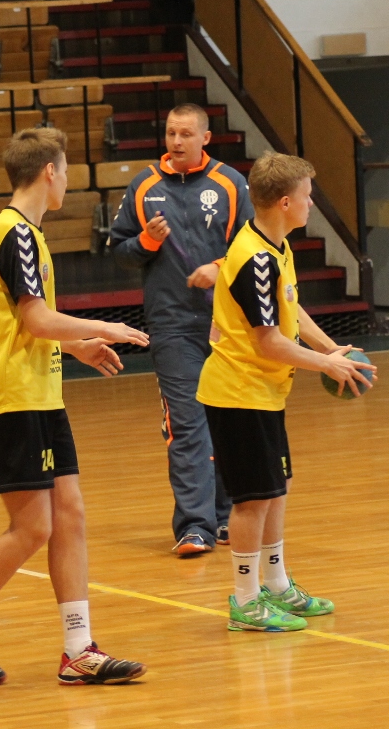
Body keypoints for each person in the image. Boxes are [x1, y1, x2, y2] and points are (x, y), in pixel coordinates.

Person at [0, 128, 149, 685]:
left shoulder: (27, 235)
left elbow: (20, 327)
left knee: (69, 517)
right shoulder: (15, 233)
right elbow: (36, 319)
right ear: (49, 171)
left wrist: (76, 347)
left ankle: (78, 650)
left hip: (40, 396)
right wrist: (103, 327)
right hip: (10, 400)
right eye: (65, 170)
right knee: (32, 527)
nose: (67, 180)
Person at [196, 151, 377, 631]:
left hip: (264, 392)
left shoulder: (275, 245)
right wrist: (327, 365)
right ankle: (245, 600)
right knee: (252, 499)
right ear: (283, 202)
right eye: (306, 196)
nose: (310, 204)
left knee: (277, 489)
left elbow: (291, 311)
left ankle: (276, 586)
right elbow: (269, 341)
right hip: (238, 392)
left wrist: (330, 347)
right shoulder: (255, 258)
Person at [110, 103, 253, 556]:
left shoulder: (231, 184)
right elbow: (119, 250)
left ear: (205, 138)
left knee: (228, 421)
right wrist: (146, 241)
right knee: (188, 424)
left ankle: (226, 517)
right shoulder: (144, 185)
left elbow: (256, 248)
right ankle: (195, 527)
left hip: (227, 325)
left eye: (185, 134)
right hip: (171, 325)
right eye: (171, 133)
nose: (176, 141)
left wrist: (219, 266)